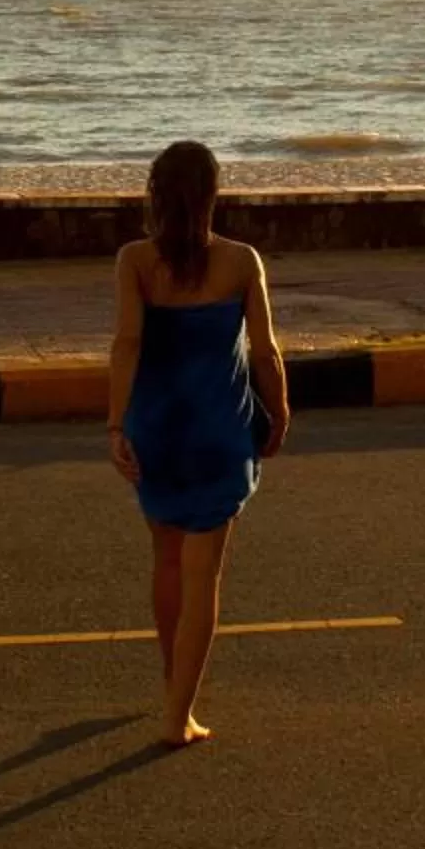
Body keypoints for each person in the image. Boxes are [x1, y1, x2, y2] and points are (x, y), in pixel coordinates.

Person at [107, 139, 289, 748]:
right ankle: (177, 715)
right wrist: (282, 408)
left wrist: (114, 424)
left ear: (155, 197)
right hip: (218, 433)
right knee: (202, 577)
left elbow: (126, 345)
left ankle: (172, 687)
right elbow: (265, 351)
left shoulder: (134, 260)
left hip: (157, 429)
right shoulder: (241, 261)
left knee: (165, 560)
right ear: (213, 196)